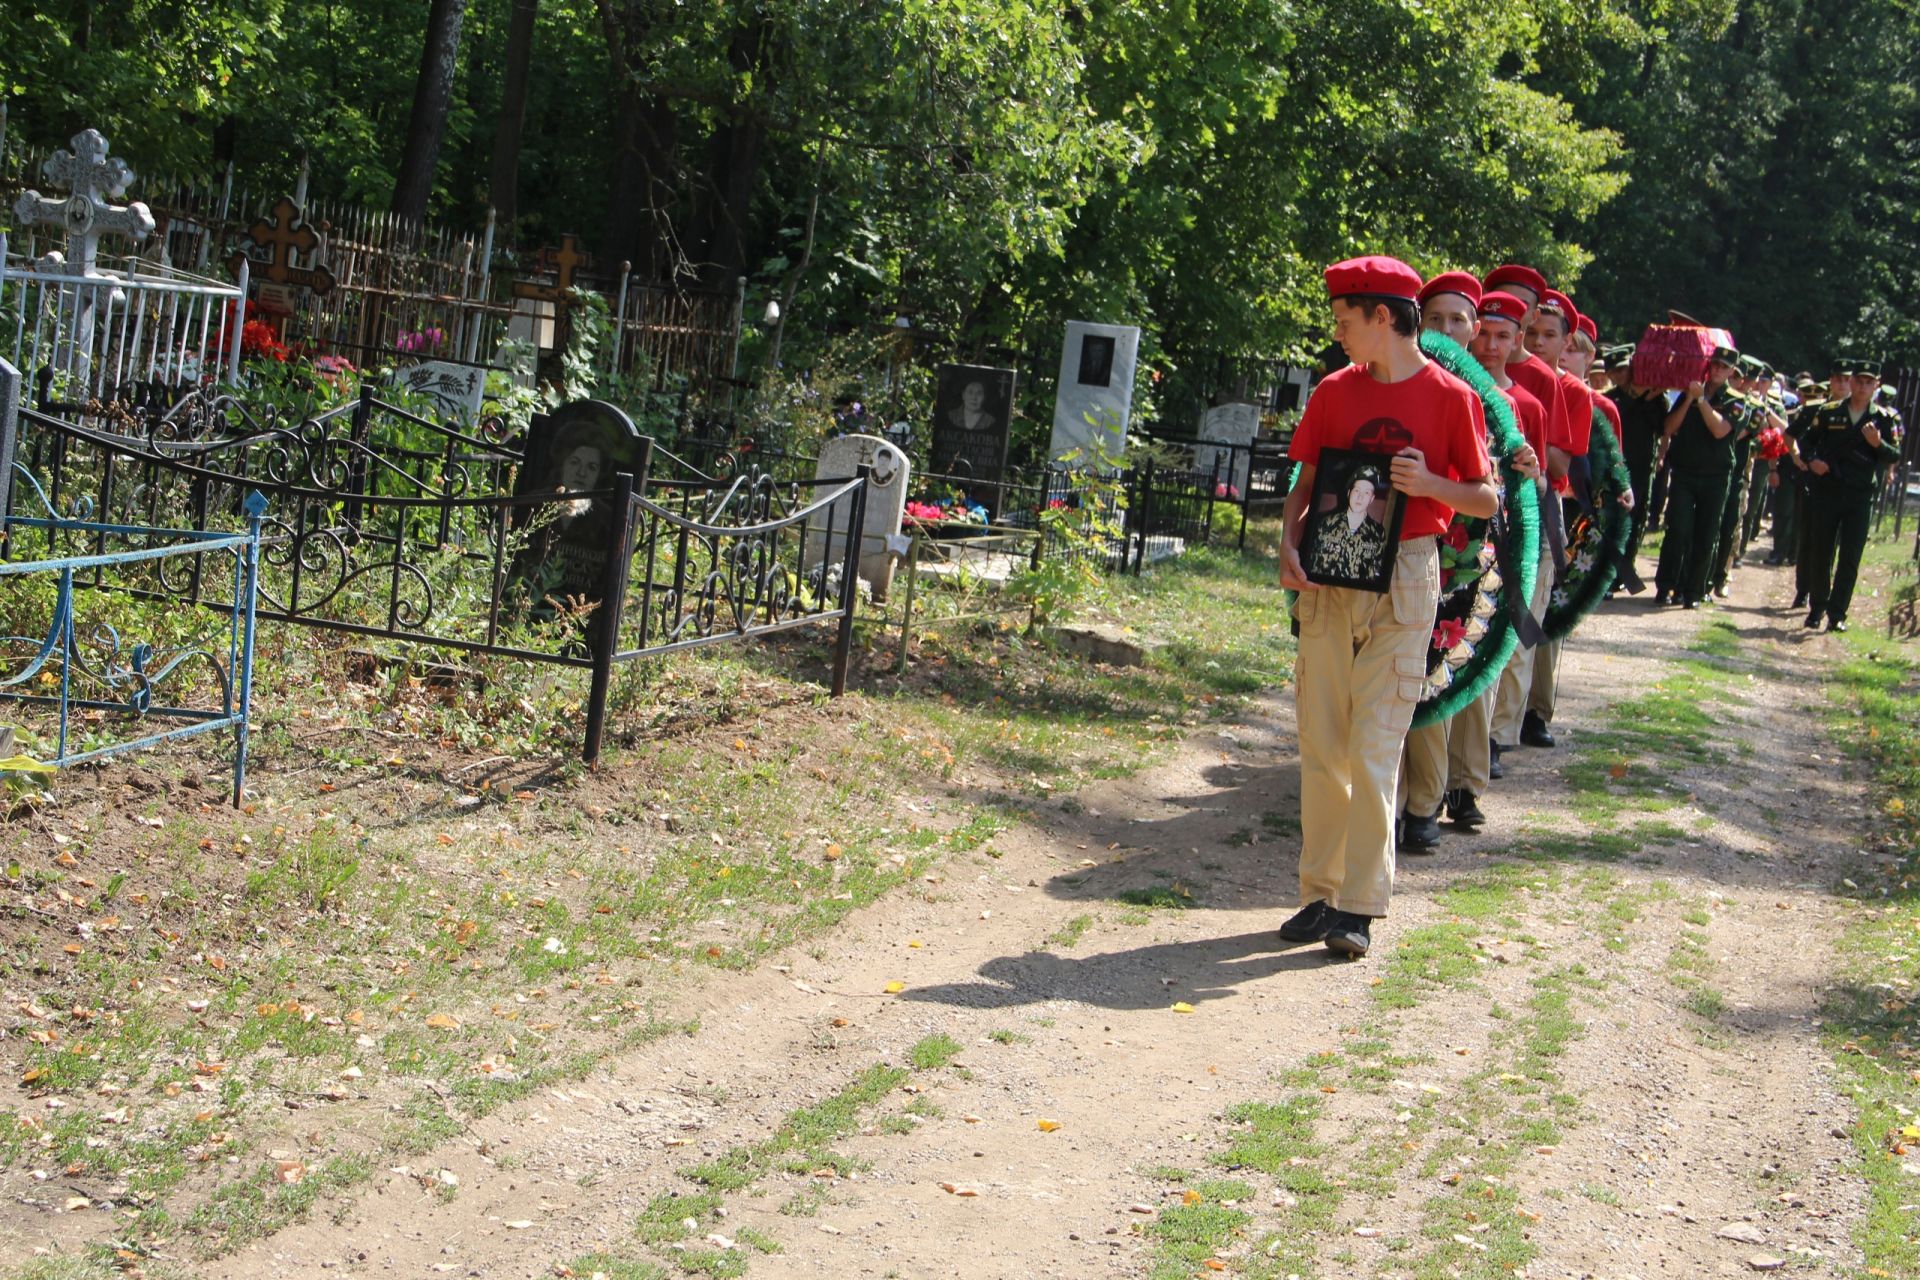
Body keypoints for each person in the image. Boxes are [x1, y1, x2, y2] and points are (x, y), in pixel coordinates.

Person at [1278, 256, 1496, 959]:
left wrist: (1431, 482)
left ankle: (1359, 906)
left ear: (1383, 317)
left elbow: (1485, 498)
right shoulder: (1334, 392)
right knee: (1322, 741)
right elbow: (1306, 482)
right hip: (1330, 577)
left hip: (1406, 576)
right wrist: (1288, 543)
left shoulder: (1450, 397)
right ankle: (1320, 891)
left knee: (1374, 746)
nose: (1338, 333)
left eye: (1346, 321)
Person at [1400, 286, 1547, 848]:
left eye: (1459, 319)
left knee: (1460, 671)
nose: (1448, 328)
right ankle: (1419, 802)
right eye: (1434, 317)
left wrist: (1522, 466)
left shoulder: (1494, 401)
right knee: (1419, 675)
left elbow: (1511, 482)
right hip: (1414, 544)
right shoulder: (1400, 380)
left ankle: (1455, 789)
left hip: (1472, 550)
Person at [1800, 357, 1903, 631]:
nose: (1861, 386)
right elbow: (1806, 441)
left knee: (1850, 557)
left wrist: (1878, 444)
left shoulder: (1882, 419)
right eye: (1858, 380)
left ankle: (1837, 614)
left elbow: (1895, 454)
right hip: (1829, 491)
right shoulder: (1830, 411)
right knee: (1821, 552)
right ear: (1851, 381)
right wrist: (1813, 461)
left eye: (1869, 383)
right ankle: (1817, 607)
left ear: (1876, 386)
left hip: (1860, 496)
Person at [1653, 347, 1740, 609]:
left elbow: (1719, 430)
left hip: (1715, 476)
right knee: (1677, 530)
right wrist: (1691, 399)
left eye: (1723, 367)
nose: (1716, 370)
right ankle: (1667, 585)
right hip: (1685, 472)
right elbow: (1669, 428)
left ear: (1731, 372)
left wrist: (1701, 401)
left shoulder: (1736, 400)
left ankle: (1693, 591)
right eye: (1713, 364)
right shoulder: (1690, 392)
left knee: (1706, 534)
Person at [1607, 345, 1666, 593]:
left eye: (1624, 369)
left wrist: (1646, 398)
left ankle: (1625, 569)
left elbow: (1662, 428)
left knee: (1636, 521)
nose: (1621, 376)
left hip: (1642, 469)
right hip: (1616, 469)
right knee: (1616, 521)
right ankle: (1610, 575)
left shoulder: (1655, 399)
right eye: (1615, 371)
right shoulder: (1610, 399)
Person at [1308, 466, 1390, 579]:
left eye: (1366, 493)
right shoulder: (1326, 524)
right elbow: (1312, 564)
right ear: (1349, 493)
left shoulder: (1378, 532)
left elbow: (1376, 573)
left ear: (1371, 499)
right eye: (1357, 491)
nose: (1360, 497)